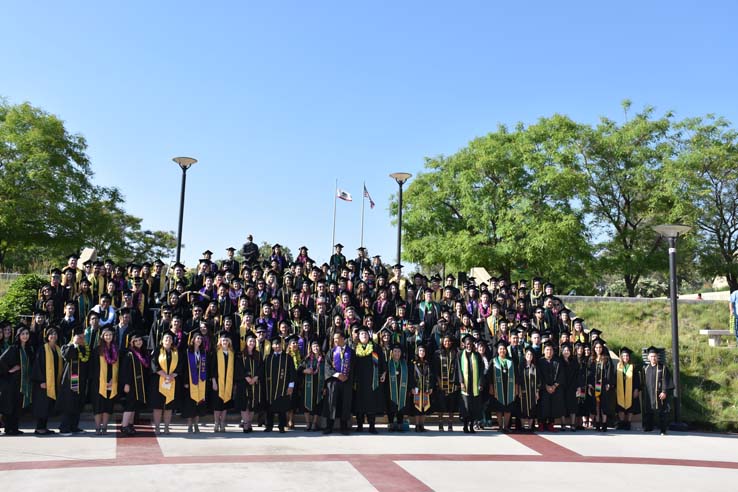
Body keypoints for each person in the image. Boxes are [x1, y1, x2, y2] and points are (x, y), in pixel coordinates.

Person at [352, 326, 386, 434]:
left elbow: (382, 362)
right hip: (359, 381)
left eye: (366, 334)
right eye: (362, 334)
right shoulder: (354, 348)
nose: (364, 336)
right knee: (359, 403)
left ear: (369, 336)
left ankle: (372, 426)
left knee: (372, 403)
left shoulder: (375, 347)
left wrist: (384, 373)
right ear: (359, 336)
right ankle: (360, 425)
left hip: (372, 381)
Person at [57, 332, 91, 435]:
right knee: (69, 403)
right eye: (79, 337)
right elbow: (67, 356)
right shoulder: (67, 347)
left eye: (83, 337)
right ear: (73, 337)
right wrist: (74, 344)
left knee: (77, 402)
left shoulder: (85, 349)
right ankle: (64, 427)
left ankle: (74, 426)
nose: (81, 339)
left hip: (81, 380)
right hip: (70, 380)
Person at [32, 327, 62, 435]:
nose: (53, 336)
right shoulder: (42, 349)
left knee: (48, 405)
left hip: (53, 382)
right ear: (47, 336)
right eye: (51, 334)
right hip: (44, 383)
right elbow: (37, 365)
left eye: (55, 334)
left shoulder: (57, 349)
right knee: (42, 406)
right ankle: (39, 427)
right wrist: (41, 381)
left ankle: (44, 427)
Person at [89, 327, 119, 435]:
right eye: (106, 335)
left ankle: (105, 427)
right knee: (98, 406)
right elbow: (92, 367)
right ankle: (97, 427)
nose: (108, 337)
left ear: (113, 336)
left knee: (108, 405)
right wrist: (101, 380)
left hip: (112, 382)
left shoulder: (116, 349)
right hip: (98, 383)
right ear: (102, 336)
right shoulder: (97, 350)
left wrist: (113, 379)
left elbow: (117, 367)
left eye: (110, 335)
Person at [150, 332, 180, 435]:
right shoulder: (157, 350)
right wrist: (165, 375)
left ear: (172, 341)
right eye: (166, 338)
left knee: (169, 406)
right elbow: (154, 364)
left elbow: (180, 365)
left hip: (172, 381)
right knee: (158, 406)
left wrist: (172, 375)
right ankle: (157, 427)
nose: (168, 340)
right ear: (162, 340)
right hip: (158, 381)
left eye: (170, 339)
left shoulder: (176, 352)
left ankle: (167, 427)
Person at [119, 333, 149, 436]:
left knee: (134, 405)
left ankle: (130, 425)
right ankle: (124, 426)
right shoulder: (129, 354)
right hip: (131, 384)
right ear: (132, 342)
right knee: (129, 404)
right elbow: (125, 371)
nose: (139, 342)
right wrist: (126, 384)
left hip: (139, 384)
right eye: (136, 341)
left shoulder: (143, 353)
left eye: (140, 340)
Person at [263, 336, 295, 433]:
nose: (277, 346)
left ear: (282, 345)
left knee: (282, 407)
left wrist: (291, 386)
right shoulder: (268, 358)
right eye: (275, 344)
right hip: (270, 388)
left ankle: (281, 426)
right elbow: (263, 372)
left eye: (279, 344)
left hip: (283, 387)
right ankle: (269, 426)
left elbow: (292, 372)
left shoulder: (287, 358)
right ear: (272, 346)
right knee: (269, 407)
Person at [323, 331, 353, 435]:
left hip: (346, 382)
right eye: (334, 339)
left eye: (337, 338)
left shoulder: (351, 352)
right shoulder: (331, 352)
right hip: (334, 382)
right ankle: (329, 426)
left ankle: (344, 427)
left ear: (343, 339)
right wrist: (337, 375)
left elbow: (354, 368)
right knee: (332, 404)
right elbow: (327, 366)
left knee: (345, 404)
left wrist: (347, 377)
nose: (335, 340)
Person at [235, 333, 263, 433]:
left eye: (254, 341)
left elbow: (261, 367)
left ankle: (249, 423)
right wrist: (246, 377)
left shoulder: (258, 355)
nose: (252, 343)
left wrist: (255, 377)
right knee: (244, 404)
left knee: (252, 405)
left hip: (255, 383)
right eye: (250, 341)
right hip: (243, 383)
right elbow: (238, 368)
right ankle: (246, 424)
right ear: (246, 343)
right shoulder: (240, 354)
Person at [642, 346, 674, 435]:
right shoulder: (645, 369)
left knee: (662, 411)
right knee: (648, 410)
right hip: (649, 393)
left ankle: (663, 430)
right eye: (651, 356)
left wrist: (664, 391)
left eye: (655, 356)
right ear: (648, 357)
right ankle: (648, 427)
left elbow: (666, 381)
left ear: (657, 357)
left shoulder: (663, 368)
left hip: (660, 393)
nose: (653, 358)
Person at [181, 332, 208, 433]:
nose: (199, 340)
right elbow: (184, 369)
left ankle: (196, 425)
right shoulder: (187, 352)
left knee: (199, 404)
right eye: (197, 338)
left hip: (201, 382)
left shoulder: (203, 353)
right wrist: (185, 381)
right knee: (190, 404)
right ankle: (189, 425)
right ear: (193, 340)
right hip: (190, 382)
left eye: (200, 339)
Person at [432, 333, 459, 432]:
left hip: (452, 383)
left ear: (451, 342)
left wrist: (457, 381)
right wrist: (438, 380)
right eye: (445, 341)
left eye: (448, 341)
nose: (447, 343)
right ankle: (440, 423)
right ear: (442, 342)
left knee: (451, 405)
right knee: (441, 404)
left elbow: (457, 368)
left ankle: (450, 423)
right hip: (441, 383)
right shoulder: (437, 353)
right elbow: (435, 369)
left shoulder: (455, 353)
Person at [458, 334, 484, 434]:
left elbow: (481, 370)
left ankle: (472, 426)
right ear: (464, 344)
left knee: (474, 406)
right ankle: (465, 426)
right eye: (467, 344)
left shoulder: (477, 355)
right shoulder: (460, 354)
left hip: (474, 385)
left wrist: (480, 382)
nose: (469, 345)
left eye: (470, 344)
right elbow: (459, 369)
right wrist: (461, 382)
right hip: (465, 384)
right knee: (466, 406)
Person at [490, 340, 518, 433]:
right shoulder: (493, 361)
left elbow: (516, 375)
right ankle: (500, 426)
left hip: (509, 389)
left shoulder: (511, 361)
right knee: (498, 408)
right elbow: (489, 376)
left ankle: (505, 426)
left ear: (506, 350)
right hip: (497, 389)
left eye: (504, 349)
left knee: (508, 408)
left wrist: (516, 388)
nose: (502, 350)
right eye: (500, 349)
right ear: (497, 350)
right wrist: (491, 387)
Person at [210, 332, 235, 432]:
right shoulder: (216, 352)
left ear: (229, 342)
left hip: (228, 383)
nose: (225, 342)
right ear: (220, 341)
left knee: (225, 405)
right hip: (218, 382)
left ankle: (223, 424)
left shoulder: (232, 353)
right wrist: (214, 381)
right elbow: (212, 368)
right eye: (223, 340)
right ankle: (216, 423)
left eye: (226, 340)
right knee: (217, 405)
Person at [588, 339, 614, 432]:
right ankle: (597, 423)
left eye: (600, 347)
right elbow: (590, 373)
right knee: (596, 405)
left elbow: (609, 372)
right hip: (595, 385)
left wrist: (608, 383)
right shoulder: (592, 359)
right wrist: (590, 384)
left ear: (602, 348)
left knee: (604, 405)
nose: (598, 349)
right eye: (596, 347)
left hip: (603, 385)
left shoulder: (606, 358)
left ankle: (604, 424)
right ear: (594, 348)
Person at [538, 341, 565, 432]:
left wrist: (554, 386)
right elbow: (539, 375)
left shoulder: (558, 361)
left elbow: (562, 375)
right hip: (543, 388)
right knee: (543, 406)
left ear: (553, 351)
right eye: (547, 350)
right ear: (544, 351)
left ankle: (551, 424)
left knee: (553, 407)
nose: (549, 352)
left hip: (555, 389)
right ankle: (541, 424)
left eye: (550, 350)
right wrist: (546, 386)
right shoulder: (540, 361)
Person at [299, 340, 325, 431]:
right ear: (311, 348)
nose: (315, 348)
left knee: (318, 404)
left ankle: (314, 424)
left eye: (317, 346)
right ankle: (308, 423)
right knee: (306, 405)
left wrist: (325, 387)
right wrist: (304, 371)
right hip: (307, 387)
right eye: (314, 347)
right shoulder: (307, 359)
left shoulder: (323, 359)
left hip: (319, 386)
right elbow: (299, 370)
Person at [615, 347, 641, 430]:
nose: (625, 357)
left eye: (627, 356)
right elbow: (614, 377)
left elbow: (637, 379)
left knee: (631, 407)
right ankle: (622, 422)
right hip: (620, 389)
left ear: (629, 357)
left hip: (631, 389)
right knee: (620, 406)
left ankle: (628, 423)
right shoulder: (618, 367)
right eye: (623, 356)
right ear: (621, 357)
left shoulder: (633, 367)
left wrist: (636, 389)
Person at [385, 343, 409, 432]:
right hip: (390, 388)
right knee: (391, 405)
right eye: (395, 351)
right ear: (392, 352)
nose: (397, 353)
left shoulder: (404, 364)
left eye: (399, 351)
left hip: (402, 388)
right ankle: (391, 423)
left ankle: (400, 424)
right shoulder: (388, 363)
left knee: (401, 405)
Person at [410, 343, 434, 432]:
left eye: (423, 351)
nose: (422, 352)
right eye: (420, 350)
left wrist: (431, 387)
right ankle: (417, 425)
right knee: (417, 407)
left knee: (425, 407)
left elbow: (431, 376)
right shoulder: (413, 363)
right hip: (417, 388)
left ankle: (422, 425)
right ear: (417, 352)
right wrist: (412, 387)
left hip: (425, 388)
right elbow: (411, 376)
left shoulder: (427, 363)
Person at [519, 346, 540, 432]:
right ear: (525, 356)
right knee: (523, 408)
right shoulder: (521, 367)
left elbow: (539, 380)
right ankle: (524, 426)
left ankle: (530, 426)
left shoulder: (535, 367)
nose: (529, 356)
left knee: (532, 408)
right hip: (523, 391)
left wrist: (537, 392)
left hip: (532, 392)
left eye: (531, 354)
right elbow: (519, 379)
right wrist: (519, 390)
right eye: (528, 354)